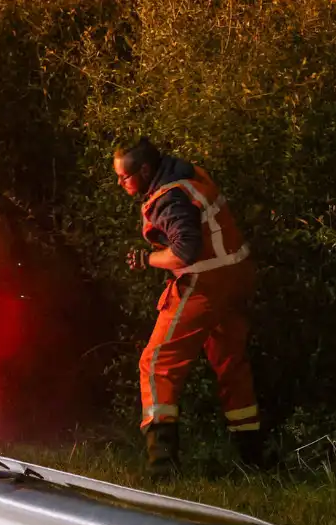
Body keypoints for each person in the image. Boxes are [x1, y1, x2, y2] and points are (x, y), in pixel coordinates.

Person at [113, 137, 264, 476]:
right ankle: (253, 459)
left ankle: (162, 467)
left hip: (205, 283)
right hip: (236, 277)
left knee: (156, 363)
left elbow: (184, 251)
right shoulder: (188, 174)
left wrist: (147, 259)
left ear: (146, 170)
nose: (120, 183)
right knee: (232, 365)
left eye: (124, 176)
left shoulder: (170, 198)